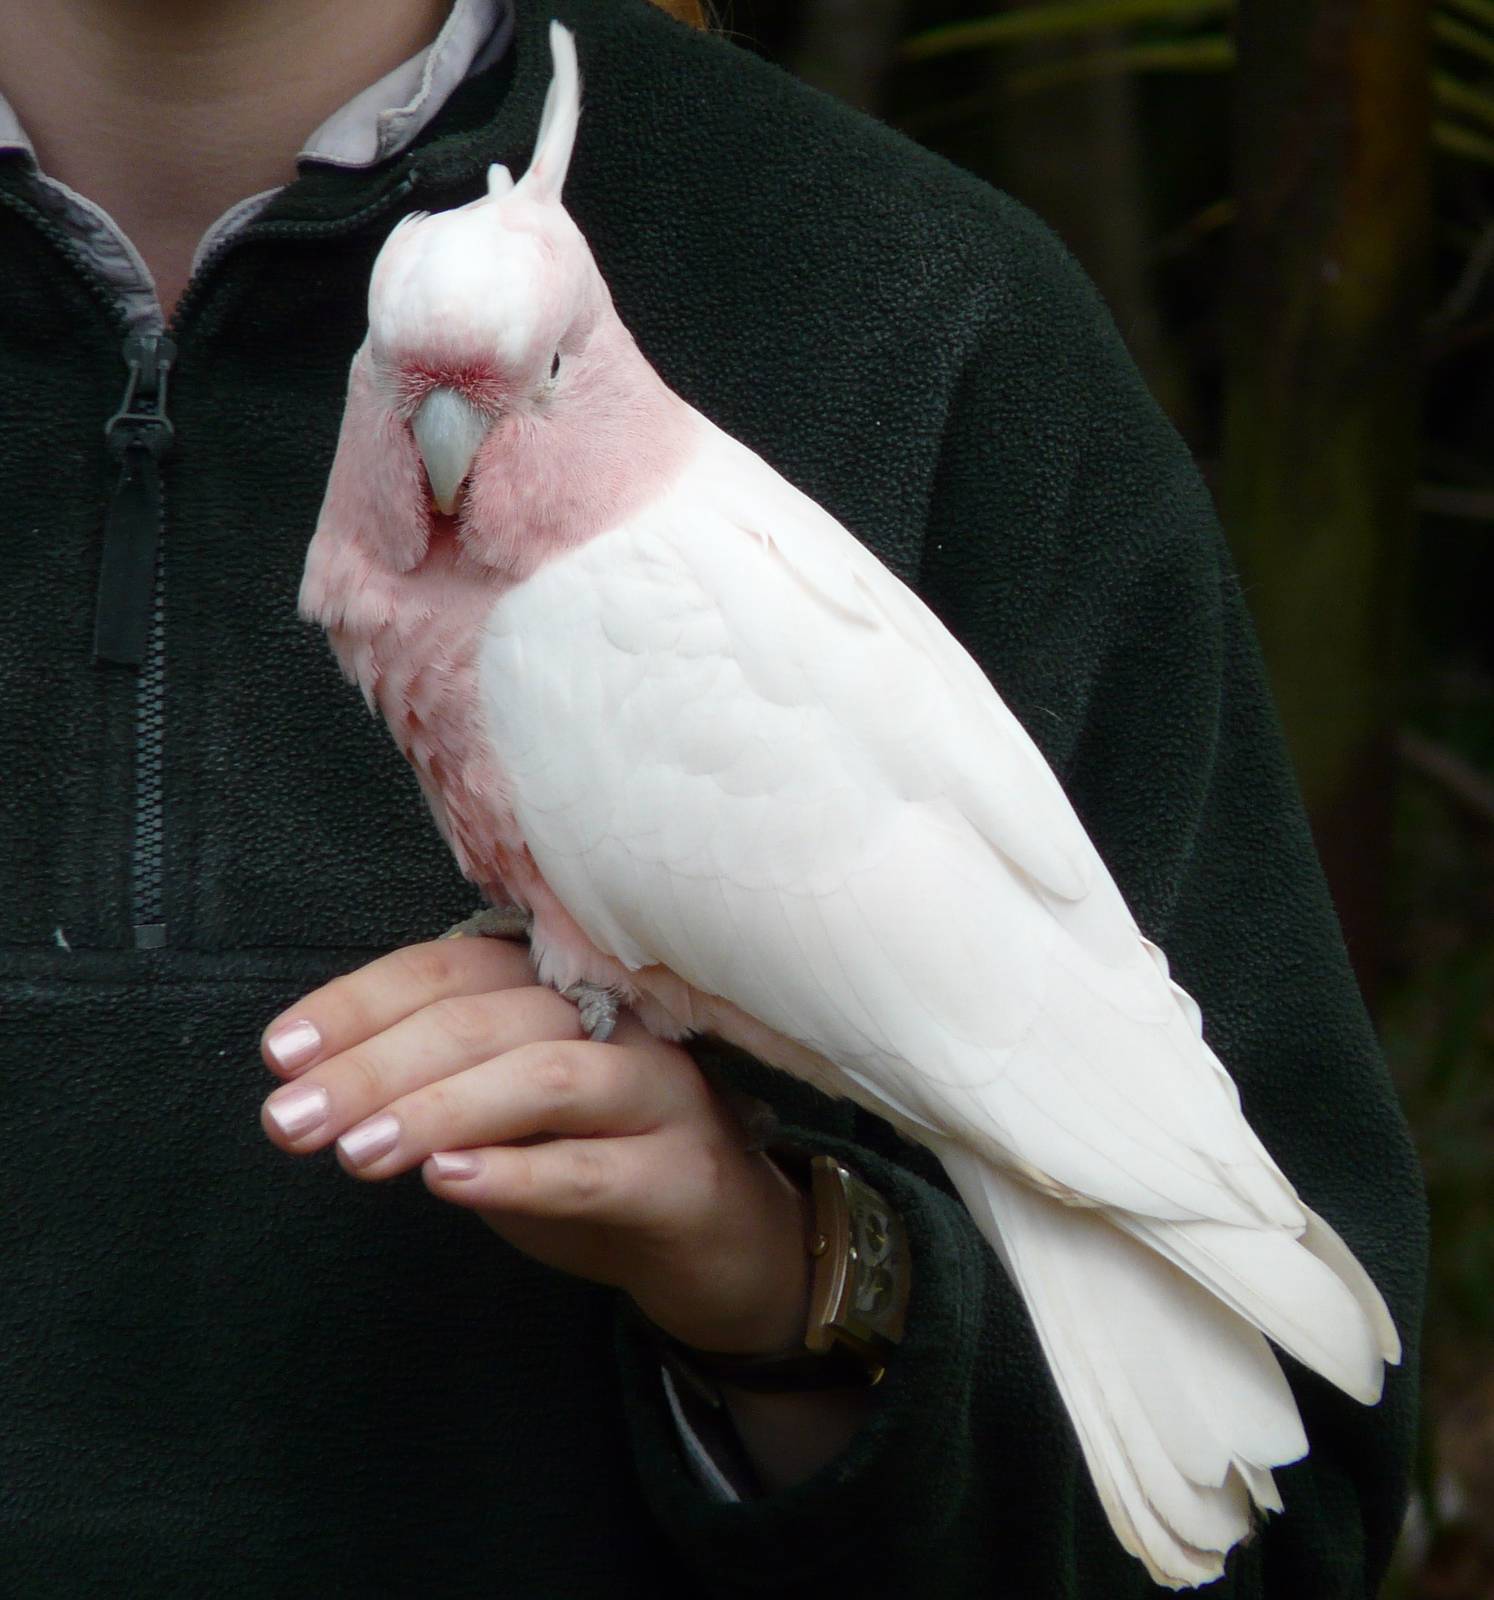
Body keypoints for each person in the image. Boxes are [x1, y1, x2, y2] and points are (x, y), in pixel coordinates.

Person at [0, 0, 1425, 1594]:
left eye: (527, 382)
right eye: (408, 394)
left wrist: (803, 1285)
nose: (451, 444)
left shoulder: (904, 336)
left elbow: (1300, 1533)